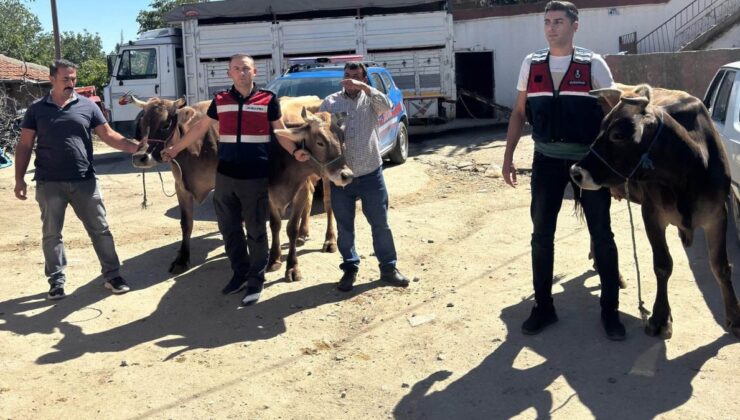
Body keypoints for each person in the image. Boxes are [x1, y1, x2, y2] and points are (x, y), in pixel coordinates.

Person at [501, 1, 625, 340]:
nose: (551, 27)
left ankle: (610, 312)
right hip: (546, 161)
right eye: (547, 22)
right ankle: (543, 307)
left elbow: (615, 116)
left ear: (574, 26)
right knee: (541, 236)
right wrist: (508, 155)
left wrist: (614, 170)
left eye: (558, 21)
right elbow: (518, 113)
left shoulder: (593, 64)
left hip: (588, 163)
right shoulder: (532, 63)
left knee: (602, 235)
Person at [161, 54, 310, 306]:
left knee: (255, 230)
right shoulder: (220, 100)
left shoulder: (268, 99)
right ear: (229, 73)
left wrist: (295, 151)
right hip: (225, 175)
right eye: (237, 69)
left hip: (254, 174)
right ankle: (239, 273)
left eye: (246, 69)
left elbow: (279, 130)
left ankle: (256, 279)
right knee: (229, 229)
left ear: (254, 72)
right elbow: (199, 128)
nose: (242, 73)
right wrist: (175, 150)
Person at [14, 59, 140, 300]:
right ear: (52, 79)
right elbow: (24, 145)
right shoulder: (36, 109)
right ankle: (56, 281)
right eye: (66, 79)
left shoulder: (88, 106)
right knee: (52, 234)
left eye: (74, 79)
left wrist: (138, 148)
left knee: (100, 230)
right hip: (49, 183)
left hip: (85, 181)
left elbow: (109, 135)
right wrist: (19, 179)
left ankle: (112, 275)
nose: (71, 83)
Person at [318, 62, 410, 292]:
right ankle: (349, 268)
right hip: (342, 178)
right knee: (345, 227)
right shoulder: (331, 103)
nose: (350, 80)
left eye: (356, 76)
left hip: (371, 174)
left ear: (364, 79)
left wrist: (366, 88)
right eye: (347, 75)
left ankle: (388, 268)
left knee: (380, 224)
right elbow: (318, 132)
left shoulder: (371, 100)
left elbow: (387, 106)